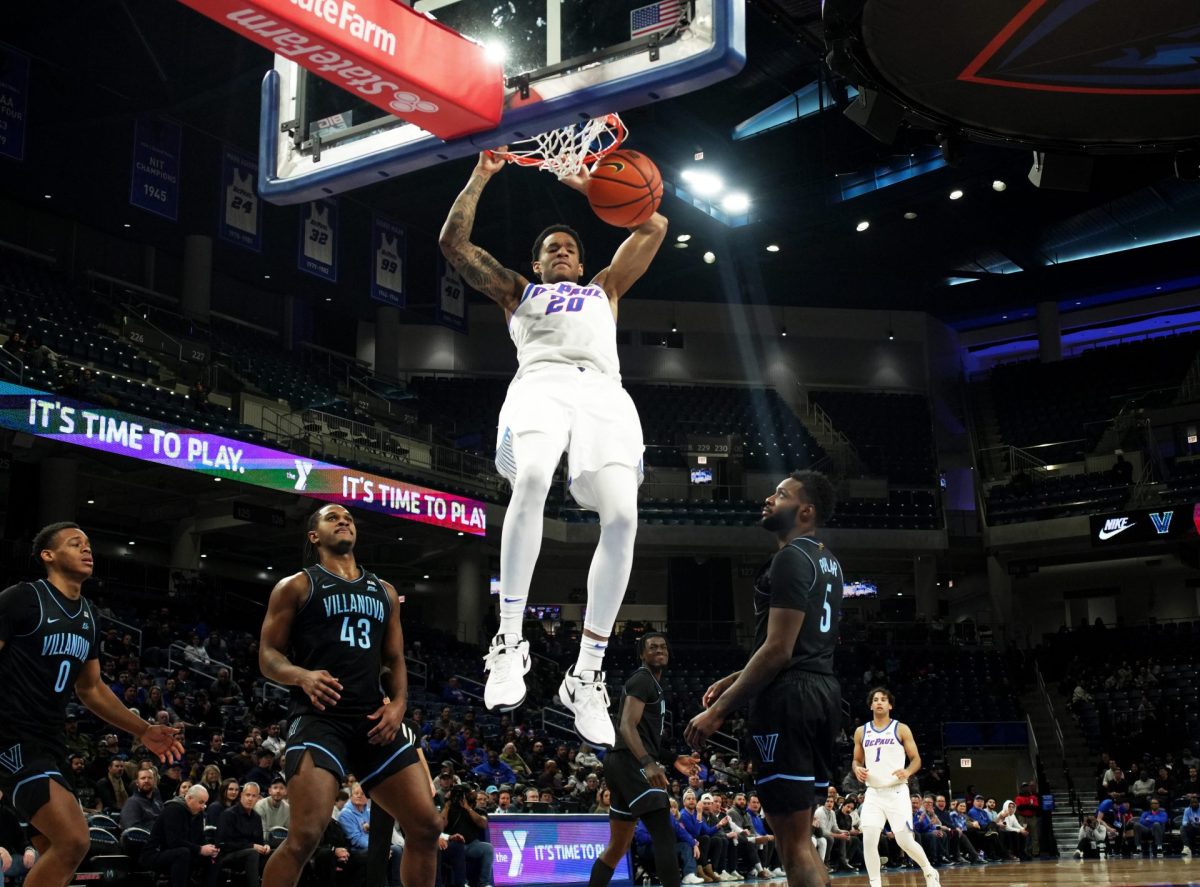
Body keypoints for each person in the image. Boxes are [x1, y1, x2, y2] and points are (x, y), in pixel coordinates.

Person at [439, 151, 668, 746]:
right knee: (534, 479)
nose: (562, 250)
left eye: (570, 245)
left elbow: (654, 225)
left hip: (604, 396)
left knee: (622, 519)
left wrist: (593, 187)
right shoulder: (518, 293)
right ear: (535, 265)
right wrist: (483, 174)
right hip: (539, 386)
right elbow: (454, 245)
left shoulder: (605, 290)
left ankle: (586, 675)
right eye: (551, 248)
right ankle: (510, 640)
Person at [259, 504, 440, 887]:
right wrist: (301, 676)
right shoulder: (297, 585)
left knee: (425, 826)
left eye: (349, 518)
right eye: (332, 517)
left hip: (374, 719)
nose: (344, 521)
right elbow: (268, 656)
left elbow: (393, 660)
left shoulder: (384, 592)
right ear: (314, 536)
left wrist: (400, 707)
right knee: (305, 835)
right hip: (319, 718)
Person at [0, 522, 182, 887]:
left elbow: (92, 689)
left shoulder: (88, 616)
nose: (87, 550)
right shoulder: (22, 598)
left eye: (88, 544)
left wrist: (142, 729)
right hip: (12, 734)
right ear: (47, 556)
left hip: (51, 742)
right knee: (75, 840)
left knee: (57, 847)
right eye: (75, 543)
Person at [686, 470, 843, 887]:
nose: (769, 499)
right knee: (802, 840)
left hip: (788, 699)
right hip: (822, 691)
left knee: (791, 844)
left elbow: (779, 650)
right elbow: (799, 643)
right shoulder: (828, 560)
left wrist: (719, 711)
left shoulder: (790, 556)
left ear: (805, 511)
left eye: (781, 495)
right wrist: (732, 677)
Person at [587, 632, 696, 887]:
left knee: (618, 846)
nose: (659, 650)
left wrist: (671, 758)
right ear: (641, 654)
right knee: (664, 835)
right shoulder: (642, 679)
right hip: (630, 762)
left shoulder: (651, 684)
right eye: (652, 647)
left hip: (622, 762)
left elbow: (644, 734)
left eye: (663, 647)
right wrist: (648, 762)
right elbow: (626, 726)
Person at [852, 688, 940, 887]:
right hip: (873, 793)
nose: (880, 702)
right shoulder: (861, 731)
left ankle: (929, 871)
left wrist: (908, 772)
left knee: (904, 842)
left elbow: (916, 759)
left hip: (897, 791)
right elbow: (856, 760)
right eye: (875, 700)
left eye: (884, 699)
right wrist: (857, 769)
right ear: (871, 706)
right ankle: (875, 884)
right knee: (868, 839)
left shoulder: (901, 728)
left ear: (890, 705)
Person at [141, 784, 220, 887]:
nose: (203, 807)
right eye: (201, 802)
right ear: (189, 798)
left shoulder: (198, 812)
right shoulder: (173, 809)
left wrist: (209, 849)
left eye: (205, 803)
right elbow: (173, 842)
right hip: (155, 853)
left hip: (181, 852)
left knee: (211, 857)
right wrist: (200, 849)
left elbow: (199, 840)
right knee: (182, 853)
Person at [215, 782, 271, 887]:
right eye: (248, 795)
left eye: (254, 796)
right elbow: (222, 844)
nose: (250, 799)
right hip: (228, 855)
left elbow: (259, 842)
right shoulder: (228, 814)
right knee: (253, 853)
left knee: (273, 854)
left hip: (249, 854)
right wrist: (251, 846)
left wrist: (265, 846)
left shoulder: (256, 817)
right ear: (241, 795)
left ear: (258, 798)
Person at [440, 788, 494, 887]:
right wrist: (447, 806)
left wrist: (467, 808)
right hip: (456, 845)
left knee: (488, 848)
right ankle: (463, 883)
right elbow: (441, 826)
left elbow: (483, 824)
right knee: (458, 847)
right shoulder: (450, 810)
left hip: (473, 845)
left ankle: (484, 883)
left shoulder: (478, 810)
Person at [120, 765, 165, 832]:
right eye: (143, 778)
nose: (146, 780)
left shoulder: (158, 803)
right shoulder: (132, 803)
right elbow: (132, 832)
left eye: (150, 778)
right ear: (137, 782)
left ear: (154, 781)